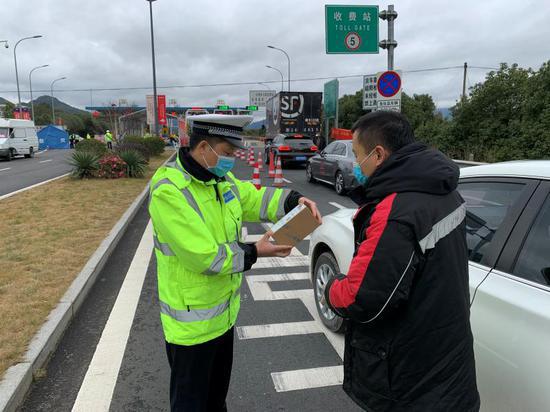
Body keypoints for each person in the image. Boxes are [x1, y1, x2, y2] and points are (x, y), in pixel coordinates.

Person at [148, 114, 322, 412]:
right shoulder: (169, 191)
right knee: (190, 404)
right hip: (191, 328)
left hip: (223, 318)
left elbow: (253, 198)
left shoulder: (219, 178)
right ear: (204, 148)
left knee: (216, 401)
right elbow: (205, 256)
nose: (231, 161)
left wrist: (294, 201)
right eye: (227, 154)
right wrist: (257, 251)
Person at [324, 111, 480, 412]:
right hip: (448, 356)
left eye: (358, 156)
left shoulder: (396, 210)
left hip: (411, 375)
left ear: (378, 154)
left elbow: (361, 298)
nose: (356, 165)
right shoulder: (444, 189)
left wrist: (332, 287)